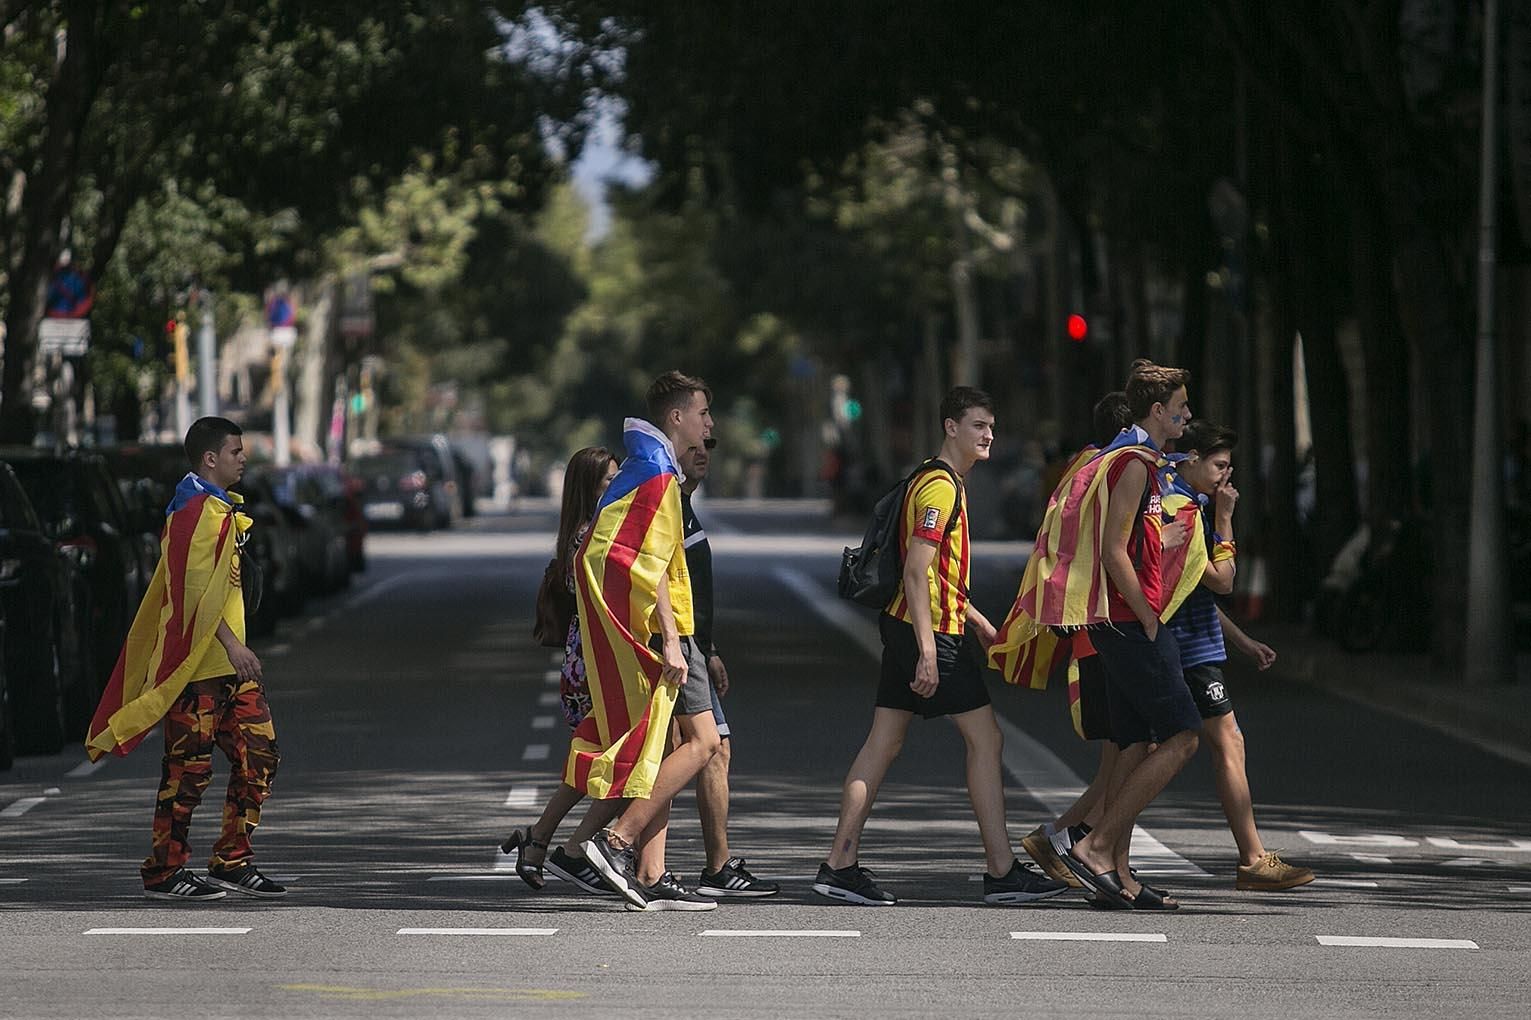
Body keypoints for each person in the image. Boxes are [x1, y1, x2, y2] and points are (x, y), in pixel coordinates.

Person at [812, 386, 1067, 907]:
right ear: (951, 427)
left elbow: (936, 579)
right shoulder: (940, 488)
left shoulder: (938, 480)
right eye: (977, 425)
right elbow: (914, 571)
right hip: (924, 634)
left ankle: (839, 864)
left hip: (918, 626)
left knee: (884, 743)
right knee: (987, 739)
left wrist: (976, 620)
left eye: (991, 425)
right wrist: (929, 649)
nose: (988, 434)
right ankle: (1001, 872)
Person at [990, 360, 1205, 910]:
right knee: (1183, 735)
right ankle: (1099, 846)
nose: (1187, 414)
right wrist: (1149, 615)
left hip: (1115, 621)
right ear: (1157, 412)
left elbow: (1131, 540)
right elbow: (1113, 549)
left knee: (1133, 744)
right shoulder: (1132, 463)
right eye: (1180, 406)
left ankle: (1123, 876)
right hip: (1128, 621)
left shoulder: (1131, 460)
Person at [85, 417, 283, 901]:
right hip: (198, 673)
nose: (243, 458)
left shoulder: (218, 509)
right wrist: (234, 645)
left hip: (231, 672)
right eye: (236, 451)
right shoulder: (193, 514)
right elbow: (193, 597)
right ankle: (163, 871)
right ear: (210, 459)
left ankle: (232, 860)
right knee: (187, 774)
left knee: (259, 756)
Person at [571, 372, 725, 911]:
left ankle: (652, 873)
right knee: (702, 744)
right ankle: (615, 841)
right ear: (677, 418)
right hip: (665, 630)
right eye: (702, 414)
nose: (710, 425)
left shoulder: (649, 465)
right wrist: (675, 642)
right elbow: (648, 566)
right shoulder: (657, 472)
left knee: (660, 745)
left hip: (664, 628)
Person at [1162, 420, 1314, 891]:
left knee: (1139, 754)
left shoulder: (1183, 501)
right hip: (1187, 646)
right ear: (1191, 460)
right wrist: (1227, 520)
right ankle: (1252, 858)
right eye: (1220, 466)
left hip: (1194, 638)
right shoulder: (1184, 509)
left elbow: (1195, 592)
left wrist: (1242, 642)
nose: (1227, 478)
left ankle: (1075, 840)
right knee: (1220, 743)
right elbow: (1221, 582)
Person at [500, 446, 618, 888]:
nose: (618, 484)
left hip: (594, 660)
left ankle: (539, 839)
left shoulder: (593, 531)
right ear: (590, 488)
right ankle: (578, 849)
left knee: (596, 763)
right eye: (609, 479)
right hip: (594, 664)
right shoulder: (587, 537)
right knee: (625, 761)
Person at [680, 438, 779, 898]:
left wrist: (709, 647)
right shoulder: (664, 502)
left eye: (712, 444)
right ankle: (609, 844)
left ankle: (714, 865)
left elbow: (688, 592)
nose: (706, 450)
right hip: (673, 652)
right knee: (702, 748)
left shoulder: (683, 504)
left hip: (691, 649)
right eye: (698, 441)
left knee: (711, 748)